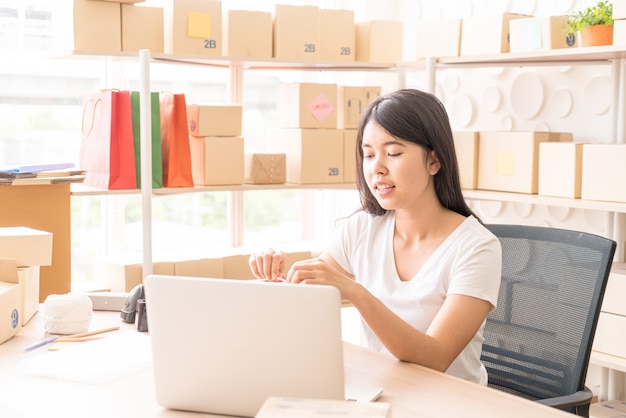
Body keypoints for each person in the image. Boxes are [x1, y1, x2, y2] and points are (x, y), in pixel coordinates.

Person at [249, 88, 502, 385]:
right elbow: (310, 297)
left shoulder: (477, 247)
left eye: (393, 153)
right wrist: (277, 278)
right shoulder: (362, 228)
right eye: (368, 155)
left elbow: (436, 358)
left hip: (449, 403)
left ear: (434, 161)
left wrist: (357, 293)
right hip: (385, 388)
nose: (376, 169)